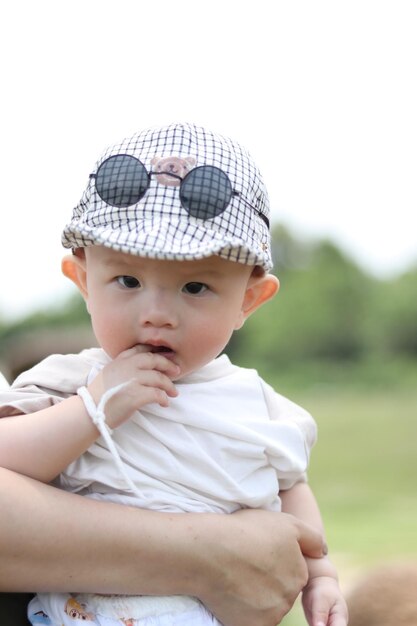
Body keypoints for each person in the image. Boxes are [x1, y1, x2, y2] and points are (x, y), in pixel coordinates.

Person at [0, 123, 347, 626]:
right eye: (128, 280)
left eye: (196, 288)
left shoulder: (259, 406)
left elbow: (292, 490)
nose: (158, 313)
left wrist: (322, 575)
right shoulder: (70, 381)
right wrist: (92, 409)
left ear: (248, 300)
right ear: (82, 279)